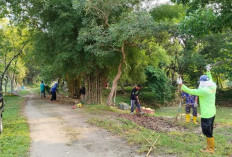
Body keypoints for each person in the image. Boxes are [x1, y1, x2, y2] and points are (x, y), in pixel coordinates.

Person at [177, 64, 216, 153]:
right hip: (212, 113)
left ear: (202, 83)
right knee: (210, 130)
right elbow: (211, 79)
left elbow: (191, 91)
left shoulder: (203, 91)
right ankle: (210, 146)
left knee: (207, 131)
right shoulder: (212, 86)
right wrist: (208, 71)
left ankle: (210, 149)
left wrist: (181, 85)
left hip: (206, 115)